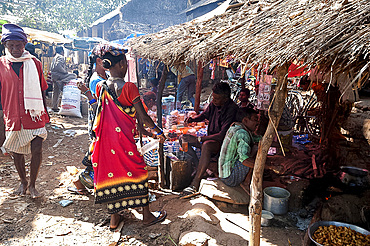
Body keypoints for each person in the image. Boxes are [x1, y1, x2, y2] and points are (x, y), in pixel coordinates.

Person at [91, 43, 167, 230]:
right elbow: (142, 116)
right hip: (123, 141)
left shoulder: (101, 87)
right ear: (123, 64)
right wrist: (158, 131)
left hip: (106, 141)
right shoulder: (129, 87)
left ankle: (114, 219)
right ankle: (147, 215)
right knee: (138, 170)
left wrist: (144, 131)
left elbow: (110, 113)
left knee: (112, 174)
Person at [0, 23, 49, 198]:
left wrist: (45, 112)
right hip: (12, 115)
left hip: (34, 115)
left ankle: (33, 185)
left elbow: (42, 89)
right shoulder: (1, 65)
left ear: (24, 44)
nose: (15, 49)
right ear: (5, 45)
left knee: (37, 150)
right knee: (17, 151)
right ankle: (23, 182)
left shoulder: (34, 63)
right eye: (11, 45)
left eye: (18, 45)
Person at [180, 81, 238, 197]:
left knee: (206, 145)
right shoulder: (214, 104)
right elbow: (205, 115)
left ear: (225, 99)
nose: (214, 100)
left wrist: (200, 139)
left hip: (224, 143)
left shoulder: (232, 109)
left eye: (217, 98)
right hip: (210, 138)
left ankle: (195, 183)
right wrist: (193, 119)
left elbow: (222, 135)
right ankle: (200, 167)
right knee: (183, 138)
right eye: (213, 98)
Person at [218, 107, 260, 191]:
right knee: (255, 150)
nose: (257, 123)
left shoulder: (236, 127)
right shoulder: (242, 134)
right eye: (255, 120)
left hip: (223, 174)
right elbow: (245, 160)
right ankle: (246, 183)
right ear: (245, 120)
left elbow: (260, 139)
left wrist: (285, 146)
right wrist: (269, 167)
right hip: (230, 178)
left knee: (254, 147)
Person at [49, 46, 76, 112]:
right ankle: (62, 81)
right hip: (59, 76)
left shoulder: (55, 57)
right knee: (73, 75)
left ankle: (54, 106)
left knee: (56, 92)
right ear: (62, 51)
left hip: (54, 76)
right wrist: (64, 72)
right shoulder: (60, 57)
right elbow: (58, 65)